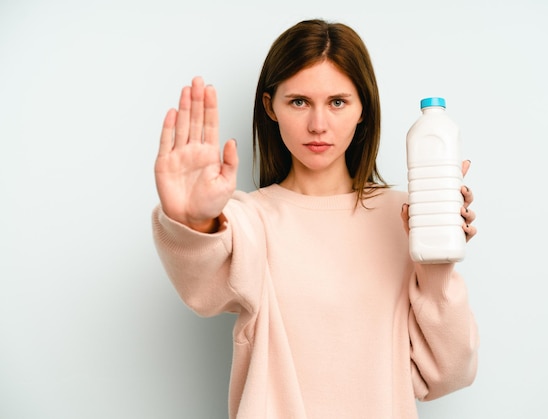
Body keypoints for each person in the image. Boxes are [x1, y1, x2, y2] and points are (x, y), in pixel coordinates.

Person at [152, 18, 478, 419]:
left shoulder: (405, 217)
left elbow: (448, 373)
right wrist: (195, 221)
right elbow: (202, 288)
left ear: (363, 110)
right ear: (270, 106)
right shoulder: (250, 220)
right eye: (299, 102)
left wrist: (437, 263)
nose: (318, 125)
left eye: (338, 102)